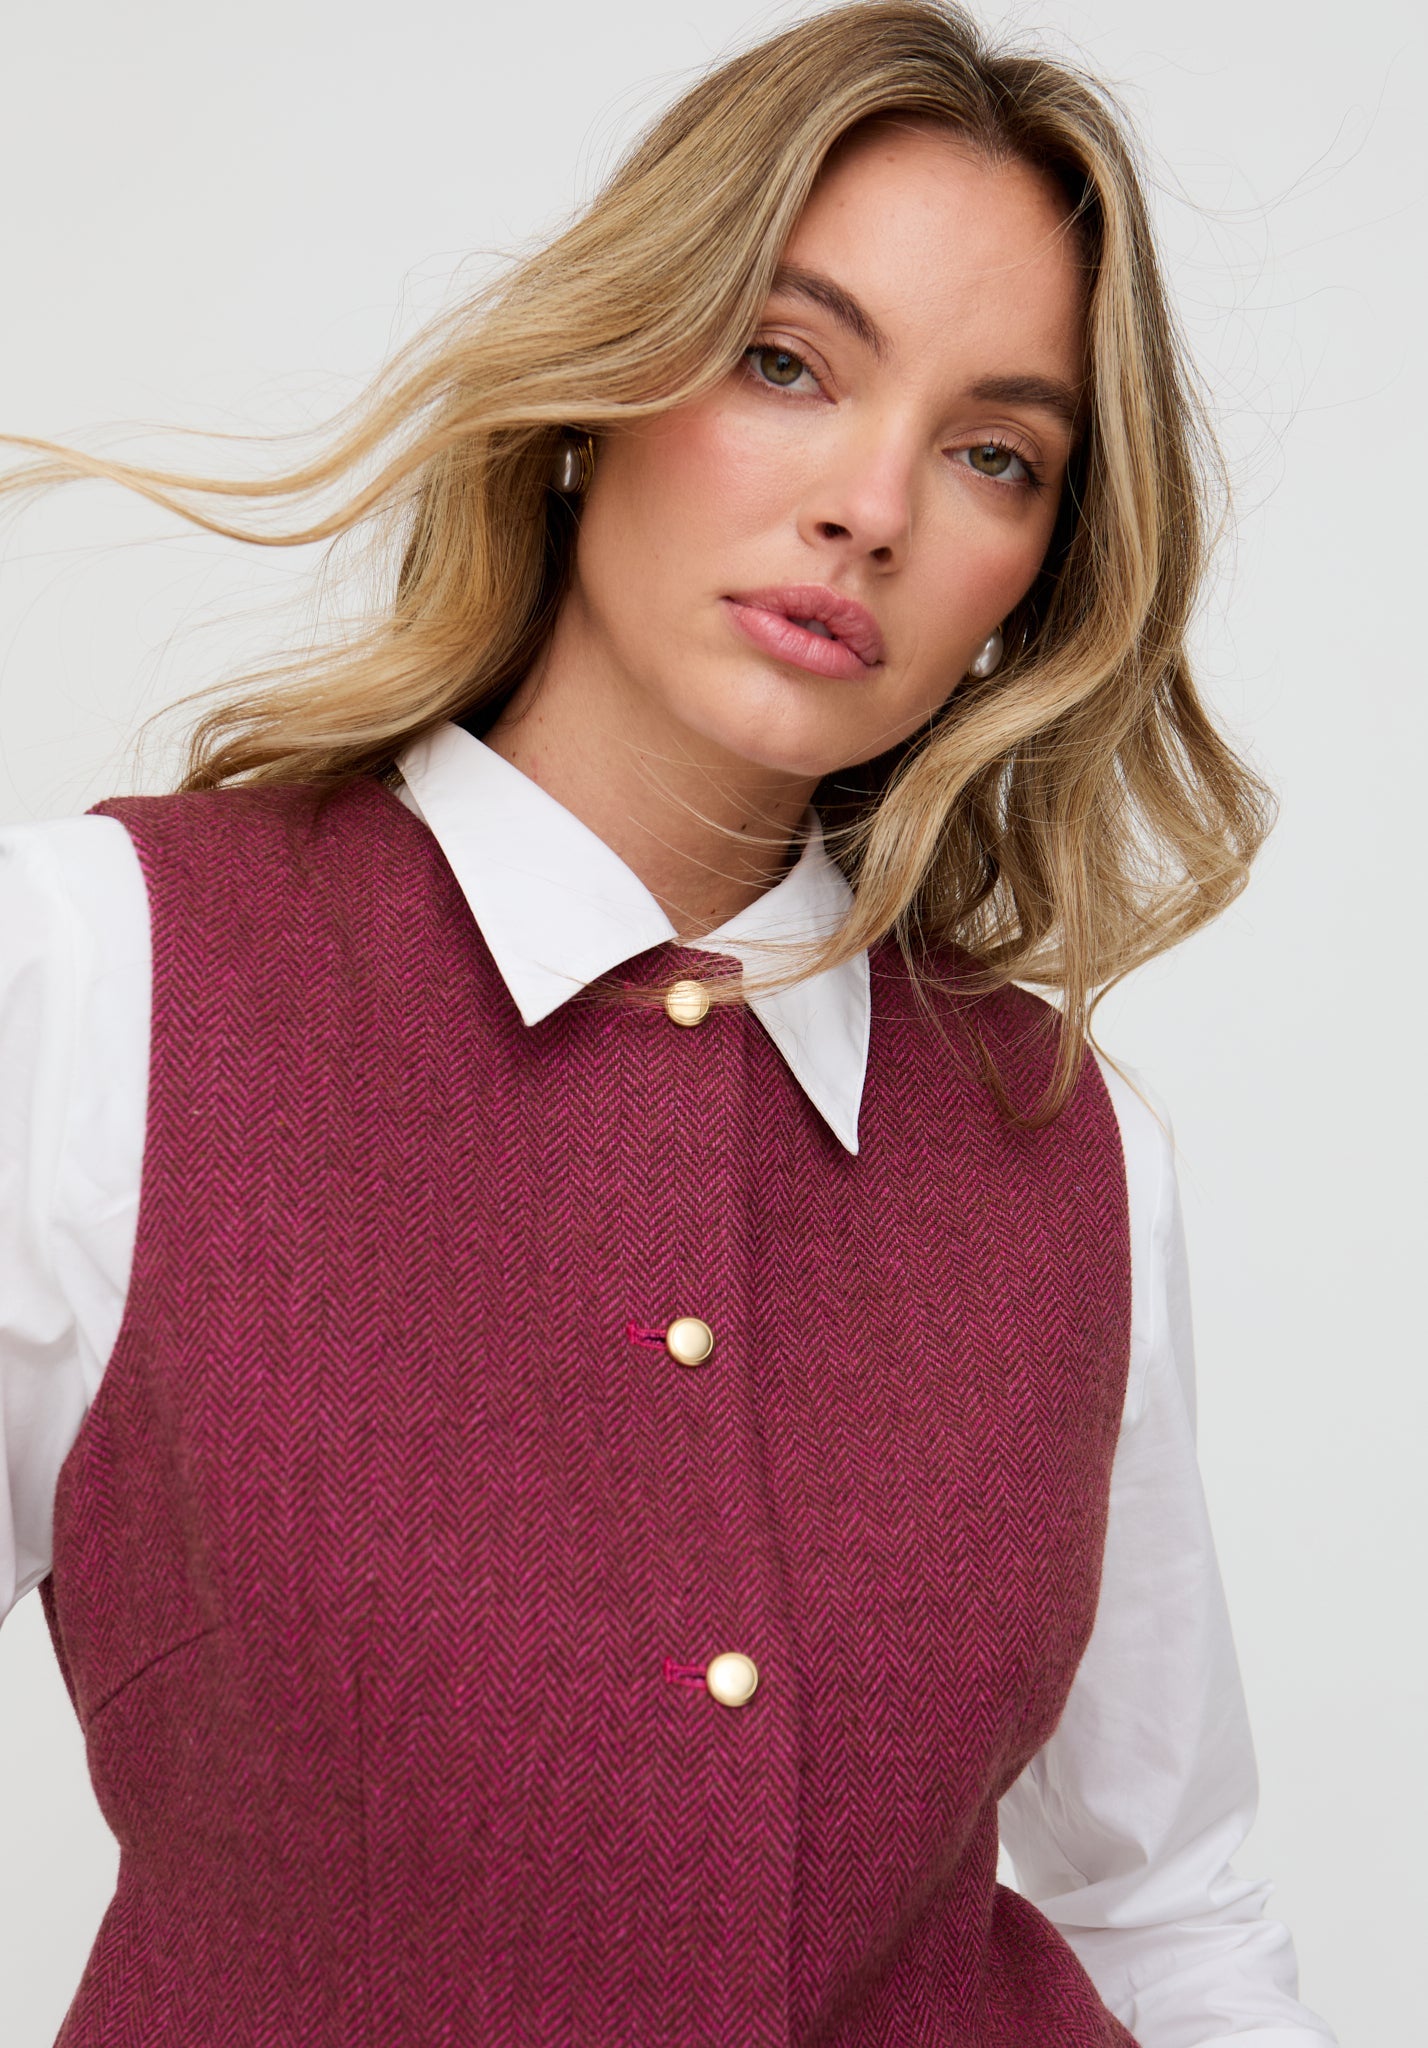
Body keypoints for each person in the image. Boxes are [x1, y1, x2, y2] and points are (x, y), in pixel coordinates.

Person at [0, 2, 1341, 2041]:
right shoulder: (103, 972)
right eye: (787, 360)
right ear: (602, 383)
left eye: (996, 453)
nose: (870, 503)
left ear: (1034, 583)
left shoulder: (1071, 1148)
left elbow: (1165, 1898)